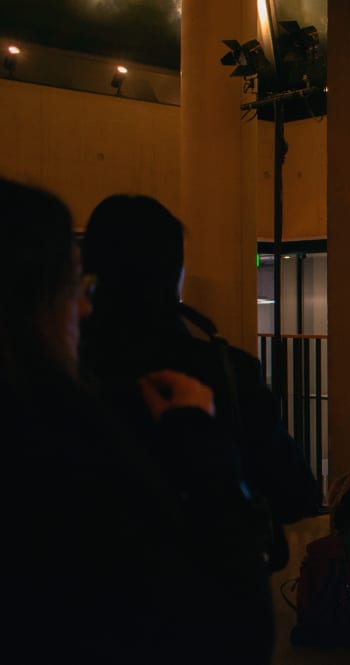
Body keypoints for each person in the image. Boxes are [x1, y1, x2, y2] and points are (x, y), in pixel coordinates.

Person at [0, 178, 273, 664]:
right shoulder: (66, 444)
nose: (82, 307)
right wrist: (206, 452)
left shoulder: (53, 412)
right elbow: (237, 631)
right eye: (71, 284)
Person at [79, 194, 321, 572]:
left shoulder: (57, 371)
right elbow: (295, 494)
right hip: (204, 598)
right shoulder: (224, 371)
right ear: (174, 275)